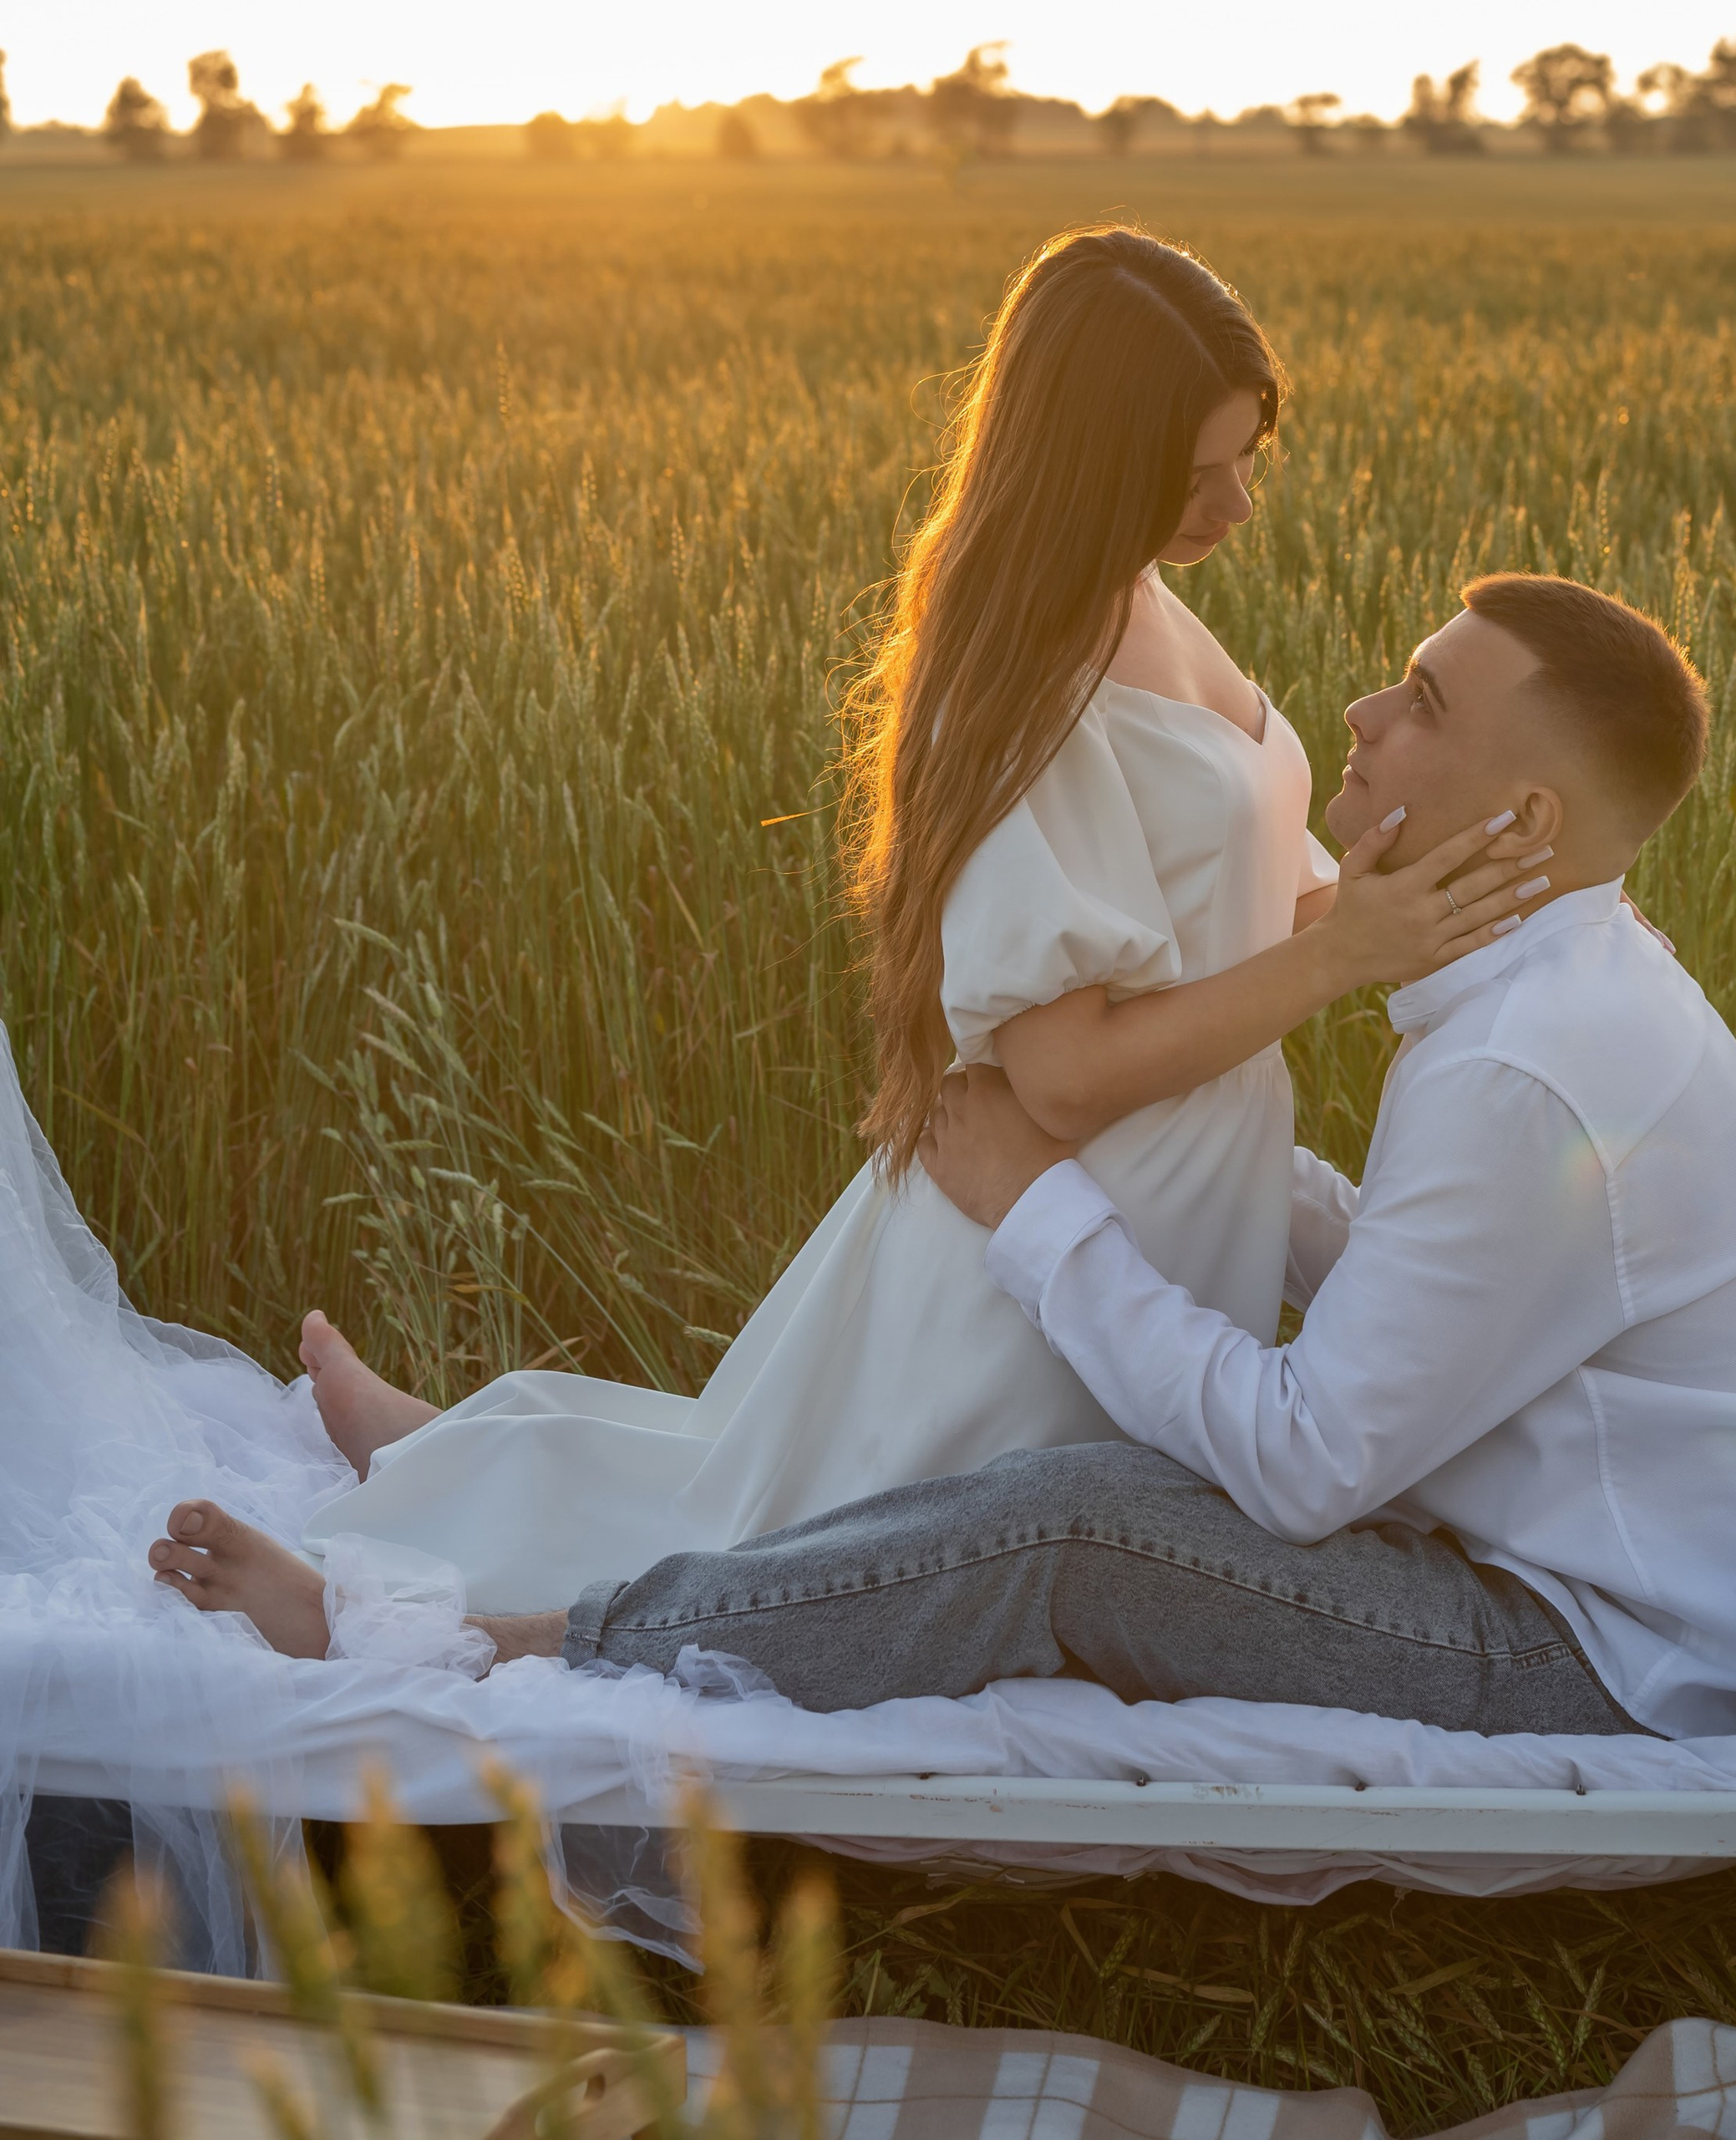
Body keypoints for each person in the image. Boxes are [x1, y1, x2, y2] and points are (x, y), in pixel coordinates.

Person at [153, 576, 1736, 1746]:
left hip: (1586, 1655)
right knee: (1009, 1439)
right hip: (1600, 1567)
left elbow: (1302, 1465)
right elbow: (1437, 1296)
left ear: (1526, 825)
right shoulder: (1543, 997)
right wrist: (1189, 1158)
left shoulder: (1521, 1068)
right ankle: (497, 1481)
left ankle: (456, 1650)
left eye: (1421, 700)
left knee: (1071, 1524)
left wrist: (1037, 1210)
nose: (1359, 711)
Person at [229, 229, 1534, 1614]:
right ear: (1097, 462)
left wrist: (1470, 904)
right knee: (801, 1544)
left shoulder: (1143, 598)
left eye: (1246, 456)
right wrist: (1342, 957)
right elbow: (1061, 1071)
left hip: (1183, 1188)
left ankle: (452, 1455)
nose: (1240, 502)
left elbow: (1230, 890)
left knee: (765, 1482)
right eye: (1199, 470)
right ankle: (434, 1504)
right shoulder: (1030, 679)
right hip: (1071, 1208)